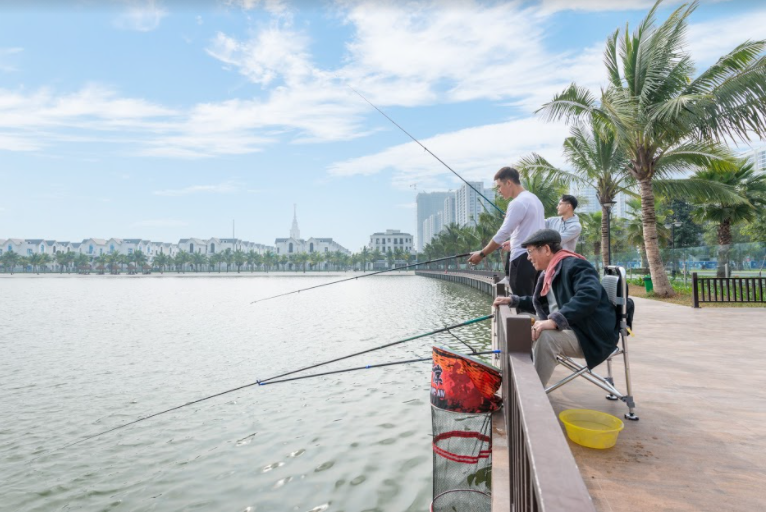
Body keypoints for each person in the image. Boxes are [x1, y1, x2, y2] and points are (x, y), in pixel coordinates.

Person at [492, 229, 618, 386]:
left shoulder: (576, 265)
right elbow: (545, 302)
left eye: (530, 251)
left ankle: (531, 393)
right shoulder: (551, 271)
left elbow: (589, 295)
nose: (528, 257)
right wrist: (513, 300)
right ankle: (519, 375)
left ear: (545, 249)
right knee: (522, 320)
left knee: (547, 337)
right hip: (572, 327)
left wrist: (554, 321)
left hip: (590, 335)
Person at [467, 167, 544, 308]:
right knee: (535, 303)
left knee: (522, 305)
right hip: (537, 259)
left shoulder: (517, 203)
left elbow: (502, 233)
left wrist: (482, 254)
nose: (499, 191)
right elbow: (532, 229)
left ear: (509, 183)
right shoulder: (534, 199)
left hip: (522, 259)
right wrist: (513, 241)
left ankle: (526, 330)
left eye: (499, 186)